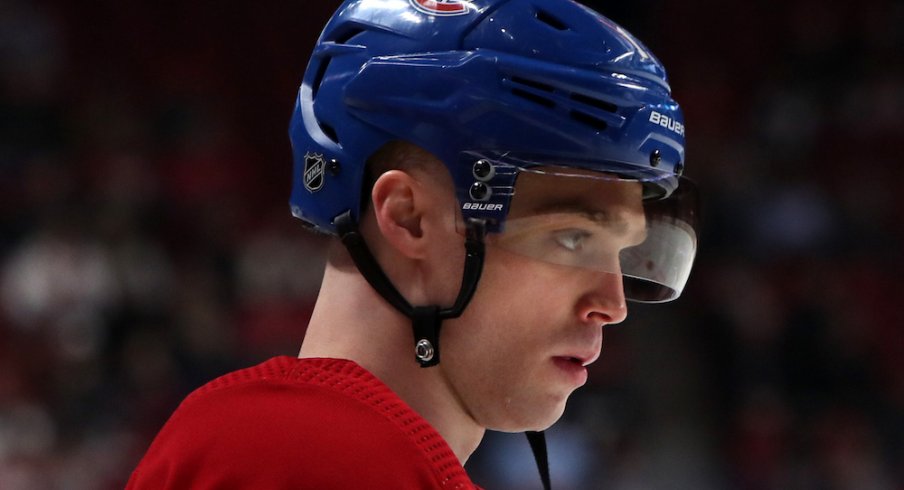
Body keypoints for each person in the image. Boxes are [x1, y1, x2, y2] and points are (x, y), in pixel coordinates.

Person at [127, 0, 699, 488]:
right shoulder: (309, 459)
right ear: (410, 219)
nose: (612, 305)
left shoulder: (280, 444)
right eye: (572, 237)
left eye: (622, 250)